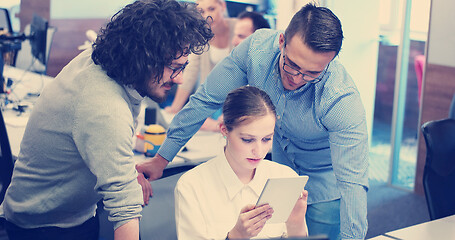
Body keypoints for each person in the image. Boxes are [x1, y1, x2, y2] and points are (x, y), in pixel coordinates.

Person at [138, 3, 369, 240]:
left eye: (312, 73)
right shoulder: (256, 51)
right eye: (292, 65)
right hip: (279, 170)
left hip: (325, 180)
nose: (298, 78)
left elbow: (354, 182)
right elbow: (205, 100)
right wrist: (161, 159)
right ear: (281, 42)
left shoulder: (341, 99)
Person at [0, 1, 213, 240]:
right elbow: (125, 208)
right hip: (47, 227)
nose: (180, 79)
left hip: (58, 213)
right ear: (142, 57)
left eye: (183, 67)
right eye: (174, 68)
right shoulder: (104, 105)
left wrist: (124, 173)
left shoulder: (106, 62)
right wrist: (124, 183)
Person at [174, 86, 308, 239]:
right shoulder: (192, 186)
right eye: (247, 140)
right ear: (224, 130)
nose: (258, 151)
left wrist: (295, 224)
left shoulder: (285, 177)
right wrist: (235, 236)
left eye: (266, 139)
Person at [164, 0, 236, 131]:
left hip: (235, 100)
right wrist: (175, 107)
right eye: (201, 11)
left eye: (211, 9)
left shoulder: (238, 28)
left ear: (223, 6)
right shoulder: (201, 34)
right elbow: (191, 71)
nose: (207, 15)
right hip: (212, 99)